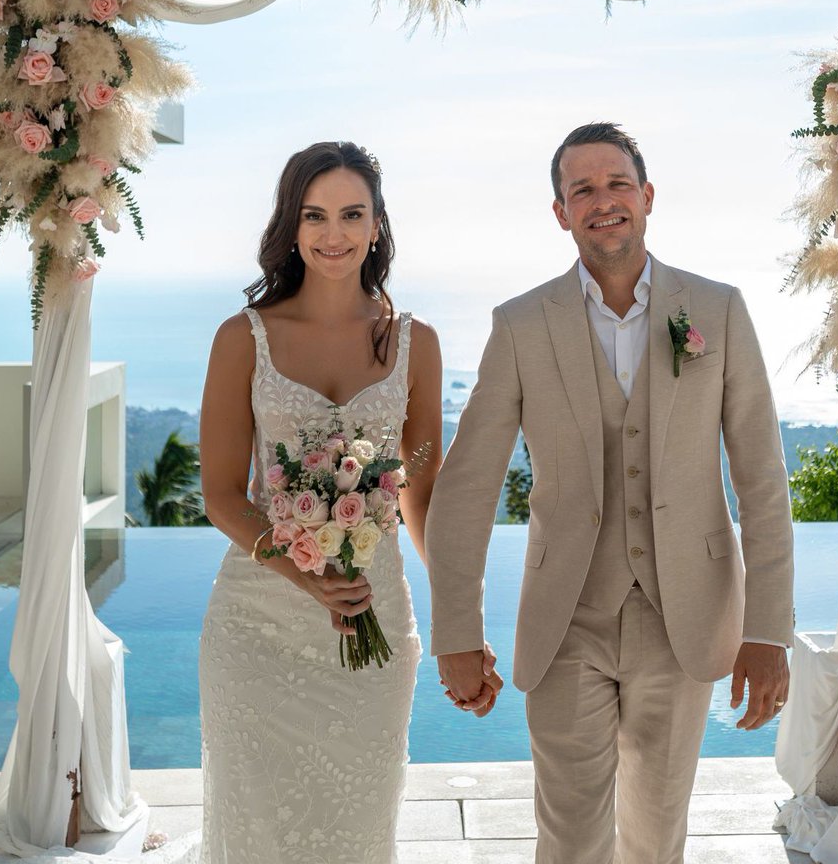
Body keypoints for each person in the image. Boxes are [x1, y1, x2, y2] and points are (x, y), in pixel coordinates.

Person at [426, 122, 795, 864]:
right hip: (567, 620)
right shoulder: (522, 325)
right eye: (581, 189)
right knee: (569, 836)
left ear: (648, 196)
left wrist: (768, 631)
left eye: (617, 183)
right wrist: (457, 635)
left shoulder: (717, 310)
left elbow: (761, 478)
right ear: (560, 212)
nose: (603, 201)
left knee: (657, 836)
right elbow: (467, 487)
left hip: (683, 613)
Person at [196, 141, 489, 863]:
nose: (335, 234)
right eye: (315, 215)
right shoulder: (244, 338)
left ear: (378, 225)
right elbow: (222, 497)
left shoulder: (416, 344)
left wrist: (459, 623)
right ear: (291, 229)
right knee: (257, 832)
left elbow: (422, 489)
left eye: (352, 214)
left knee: (358, 832)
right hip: (256, 628)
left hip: (375, 622)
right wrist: (304, 573)